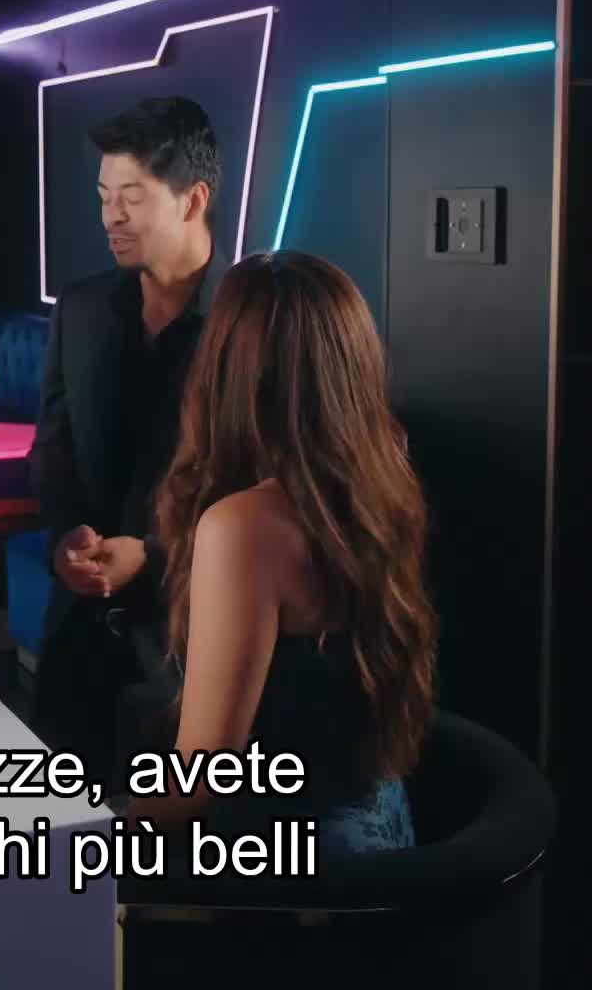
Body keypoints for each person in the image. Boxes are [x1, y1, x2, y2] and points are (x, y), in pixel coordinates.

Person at [118, 251, 437, 854]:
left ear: (227, 372)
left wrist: (81, 851)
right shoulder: (383, 485)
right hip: (388, 840)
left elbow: (200, 781)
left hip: (295, 868)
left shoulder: (243, 527)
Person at [32, 96, 227, 787]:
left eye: (132, 197)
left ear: (192, 199)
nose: (110, 216)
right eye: (103, 196)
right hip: (77, 628)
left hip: (196, 638)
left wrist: (154, 554)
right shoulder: (82, 309)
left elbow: (277, 486)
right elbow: (53, 449)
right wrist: (64, 541)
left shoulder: (253, 321)